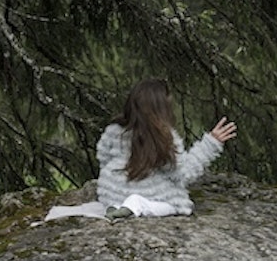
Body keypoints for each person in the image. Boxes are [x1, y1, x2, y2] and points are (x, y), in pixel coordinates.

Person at [96, 78, 236, 219]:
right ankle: (137, 204)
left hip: (111, 192)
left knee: (115, 197)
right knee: (176, 206)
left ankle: (114, 206)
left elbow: (103, 159)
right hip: (149, 193)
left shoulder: (114, 130)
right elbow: (183, 174)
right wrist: (211, 143)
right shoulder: (165, 138)